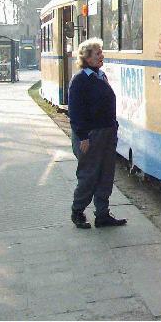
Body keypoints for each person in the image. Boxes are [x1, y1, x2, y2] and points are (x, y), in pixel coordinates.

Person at [68, 38, 127, 229]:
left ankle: (102, 214)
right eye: (98, 53)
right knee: (89, 175)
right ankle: (77, 211)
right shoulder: (80, 80)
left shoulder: (100, 76)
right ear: (87, 58)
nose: (102, 56)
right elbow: (75, 112)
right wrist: (82, 136)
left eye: (101, 52)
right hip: (91, 136)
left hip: (108, 133)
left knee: (106, 174)